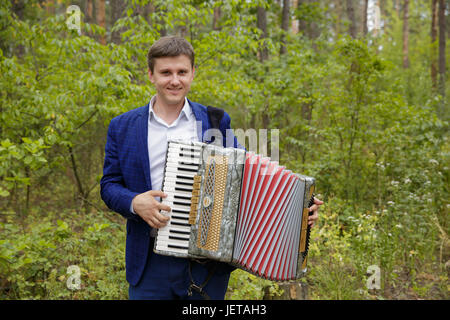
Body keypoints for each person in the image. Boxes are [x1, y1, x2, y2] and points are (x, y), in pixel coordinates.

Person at [100, 36, 323, 300]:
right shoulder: (122, 126)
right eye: (165, 72)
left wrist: (298, 211)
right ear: (150, 75)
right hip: (148, 262)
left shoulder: (215, 121)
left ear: (193, 73)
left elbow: (247, 180)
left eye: (182, 72)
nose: (175, 80)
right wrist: (135, 202)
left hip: (205, 265)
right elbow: (109, 186)